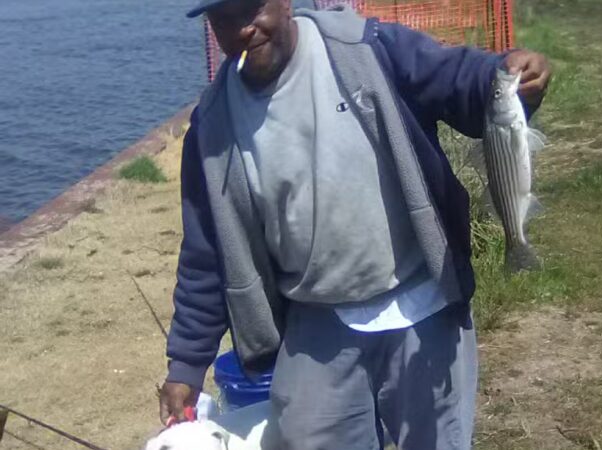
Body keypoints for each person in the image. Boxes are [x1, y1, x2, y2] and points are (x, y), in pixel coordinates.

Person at [158, 0, 551, 448]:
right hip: (317, 319)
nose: (244, 28)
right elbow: (206, 256)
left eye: (253, 8)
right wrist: (186, 366)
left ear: (284, 3)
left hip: (420, 299)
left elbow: (454, 77)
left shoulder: (366, 48)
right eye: (224, 19)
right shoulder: (213, 127)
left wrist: (505, 76)